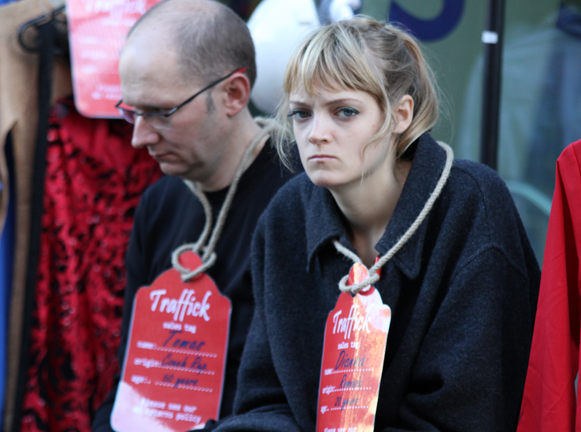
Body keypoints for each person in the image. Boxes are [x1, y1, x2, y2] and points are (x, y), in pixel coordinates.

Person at [214, 17, 541, 432]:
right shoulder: (286, 217)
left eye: (344, 112)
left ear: (400, 115)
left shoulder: (470, 207)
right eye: (301, 114)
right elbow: (264, 401)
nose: (316, 134)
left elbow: (465, 414)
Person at [91, 1, 294, 430]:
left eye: (160, 112)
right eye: (131, 111)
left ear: (234, 94)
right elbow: (132, 377)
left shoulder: (301, 197)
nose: (138, 138)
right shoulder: (159, 204)